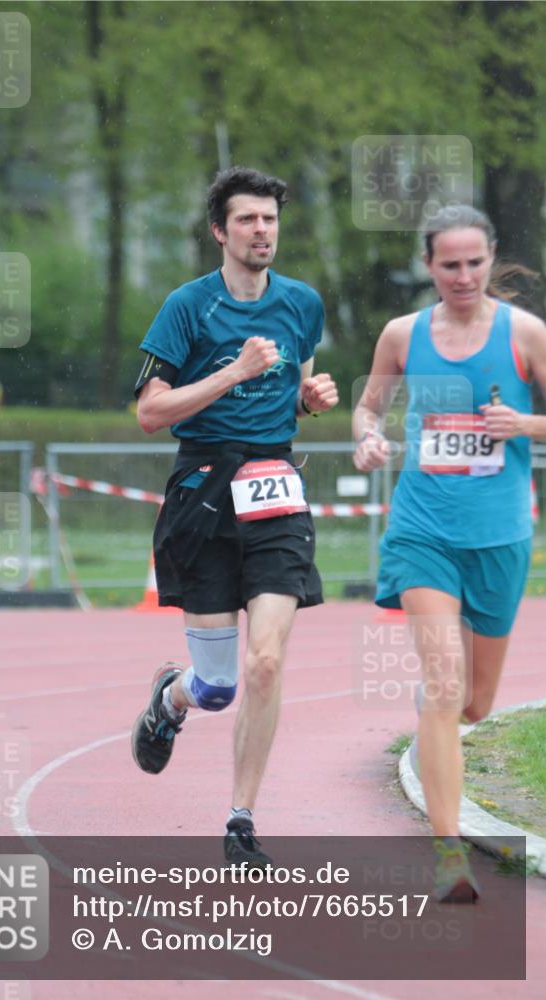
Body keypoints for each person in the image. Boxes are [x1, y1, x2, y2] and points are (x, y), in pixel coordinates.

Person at [131, 166, 338, 865]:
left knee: (268, 661)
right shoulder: (187, 306)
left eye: (270, 220)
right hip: (201, 488)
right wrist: (231, 373)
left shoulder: (303, 303)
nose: (261, 231)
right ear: (220, 231)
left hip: (274, 485)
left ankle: (240, 819)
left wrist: (308, 400)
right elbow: (148, 414)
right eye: (247, 220)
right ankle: (171, 699)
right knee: (217, 686)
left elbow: (289, 394)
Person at [352, 204, 546, 901]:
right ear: (427, 265)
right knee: (442, 687)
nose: (461, 276)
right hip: (421, 530)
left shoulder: (524, 334)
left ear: (491, 259)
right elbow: (367, 407)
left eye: (473, 263)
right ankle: (447, 858)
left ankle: (443, 711)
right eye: (447, 264)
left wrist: (525, 422)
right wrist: (367, 435)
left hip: (498, 538)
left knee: (473, 703)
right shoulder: (403, 335)